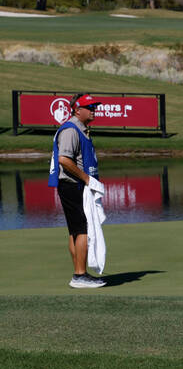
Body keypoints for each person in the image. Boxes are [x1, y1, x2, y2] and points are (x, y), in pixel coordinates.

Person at [50, 94, 106, 288]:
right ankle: (80, 275)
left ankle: (80, 273)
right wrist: (87, 179)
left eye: (94, 106)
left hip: (75, 185)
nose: (94, 110)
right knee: (82, 230)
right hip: (72, 185)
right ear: (77, 110)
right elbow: (64, 160)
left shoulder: (81, 129)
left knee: (75, 230)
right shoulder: (71, 130)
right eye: (89, 107)